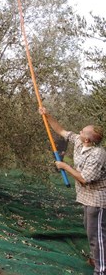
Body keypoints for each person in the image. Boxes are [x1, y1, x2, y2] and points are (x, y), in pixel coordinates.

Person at [39, 107, 106, 274]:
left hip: (98, 200)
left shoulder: (98, 155)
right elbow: (60, 130)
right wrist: (47, 115)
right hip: (86, 198)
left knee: (97, 236)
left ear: (88, 140)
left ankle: (101, 269)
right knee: (90, 231)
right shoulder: (78, 140)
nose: (80, 130)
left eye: (84, 131)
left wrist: (65, 166)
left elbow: (84, 179)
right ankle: (96, 259)